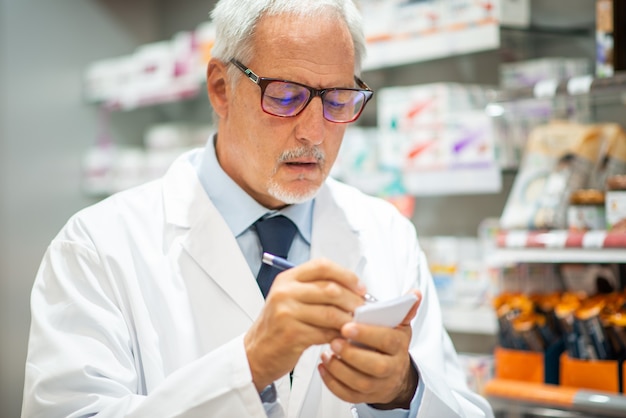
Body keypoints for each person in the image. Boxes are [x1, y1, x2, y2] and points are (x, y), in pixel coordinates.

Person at [21, 0, 494, 417]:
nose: (314, 132)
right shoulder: (97, 246)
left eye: (337, 99)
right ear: (221, 88)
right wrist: (247, 366)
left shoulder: (386, 233)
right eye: (286, 96)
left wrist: (403, 391)